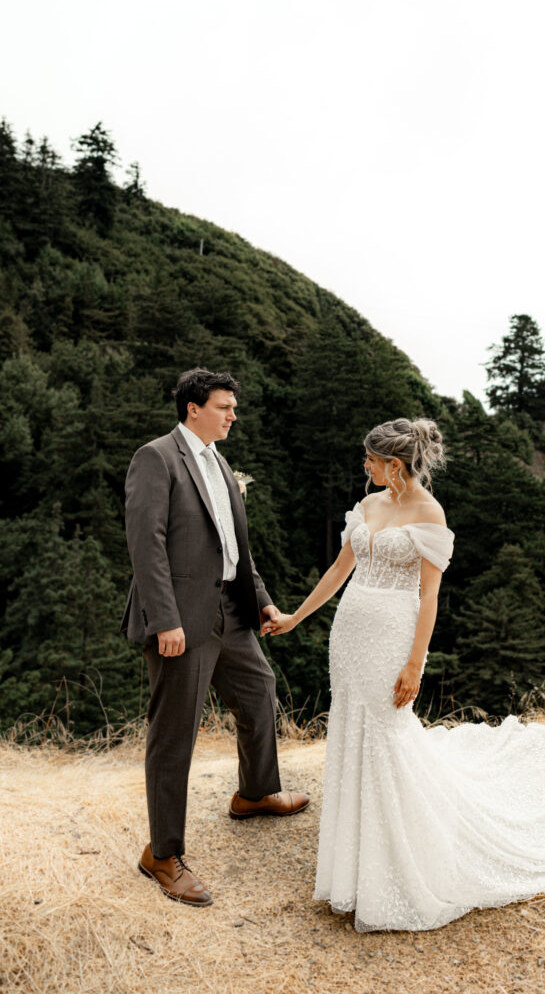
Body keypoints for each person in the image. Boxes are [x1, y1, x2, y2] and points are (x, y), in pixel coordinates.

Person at [264, 417, 545, 932]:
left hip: (393, 632)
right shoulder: (366, 506)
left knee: (388, 733)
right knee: (352, 729)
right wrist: (296, 617)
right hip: (349, 634)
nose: (362, 466)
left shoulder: (430, 512)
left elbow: (428, 595)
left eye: (369, 459)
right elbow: (339, 570)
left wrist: (415, 663)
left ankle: (401, 858)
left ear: (393, 464)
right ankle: (354, 863)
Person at [122, 367, 309, 908]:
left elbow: (233, 546)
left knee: (259, 691)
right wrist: (166, 620)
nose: (233, 415)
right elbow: (146, 545)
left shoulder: (220, 461)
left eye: (233, 407)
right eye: (225, 407)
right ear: (193, 408)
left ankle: (253, 793)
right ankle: (162, 853)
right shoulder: (155, 457)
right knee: (174, 731)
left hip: (231, 607)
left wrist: (263, 598)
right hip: (181, 617)